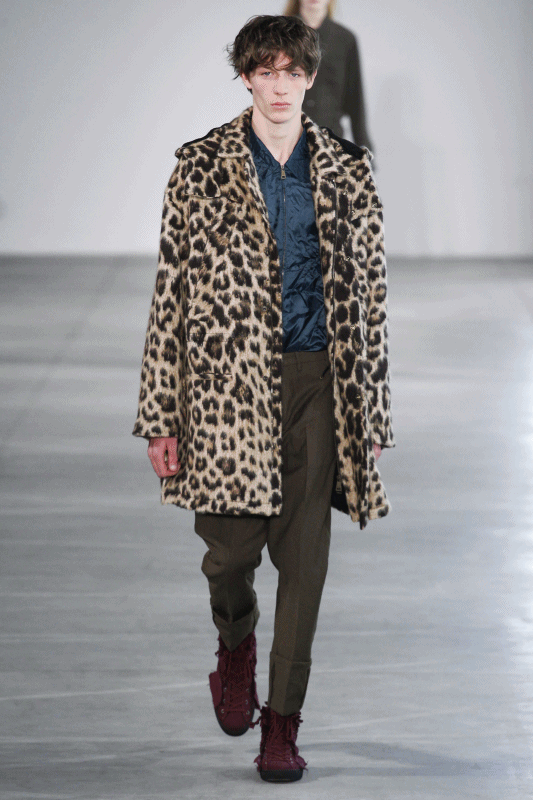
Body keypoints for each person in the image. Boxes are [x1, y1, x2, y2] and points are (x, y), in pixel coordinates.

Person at [133, 14, 393, 783]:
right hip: (224, 389)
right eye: (265, 72)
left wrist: (371, 411)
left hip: (317, 382)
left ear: (310, 77)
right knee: (229, 556)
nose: (279, 87)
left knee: (304, 564)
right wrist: (160, 414)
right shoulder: (199, 166)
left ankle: (281, 726)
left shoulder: (347, 170)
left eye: (292, 73)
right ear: (245, 76)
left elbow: (371, 300)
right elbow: (169, 295)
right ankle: (235, 642)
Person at [284, 0, 374, 151]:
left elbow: (355, 100)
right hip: (285, 141)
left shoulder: (345, 39)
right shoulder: (279, 36)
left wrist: (364, 152)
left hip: (329, 144)